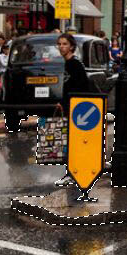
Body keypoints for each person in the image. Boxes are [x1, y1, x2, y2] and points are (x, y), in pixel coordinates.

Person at [54, 32, 98, 186]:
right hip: (69, 107)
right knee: (71, 143)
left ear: (71, 46)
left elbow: (81, 88)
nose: (61, 47)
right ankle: (72, 173)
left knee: (73, 143)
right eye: (59, 44)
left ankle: (73, 174)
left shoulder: (75, 64)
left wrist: (70, 103)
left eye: (64, 44)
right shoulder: (66, 64)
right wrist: (61, 102)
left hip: (76, 109)